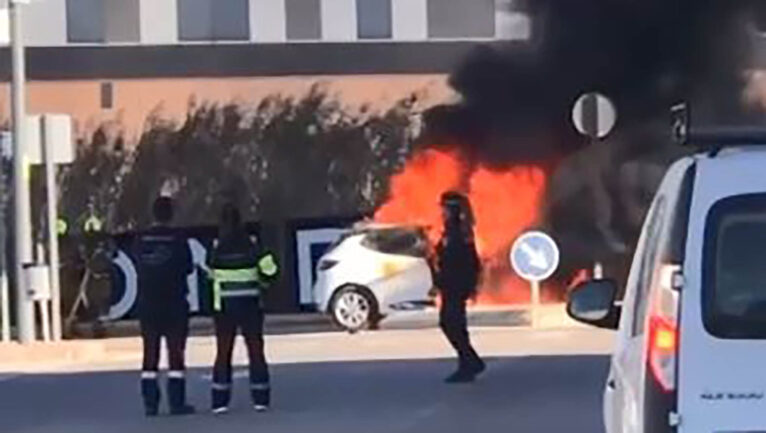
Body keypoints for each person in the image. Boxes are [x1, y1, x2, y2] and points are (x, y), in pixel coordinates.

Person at [207, 203, 278, 415]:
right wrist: (262, 283)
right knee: (256, 352)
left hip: (224, 308)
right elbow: (271, 270)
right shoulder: (252, 245)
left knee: (223, 353)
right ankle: (261, 399)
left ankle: (220, 402)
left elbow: (210, 273)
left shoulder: (217, 247)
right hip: (251, 305)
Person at [134, 196, 195, 416]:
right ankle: (176, 402)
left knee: (150, 353)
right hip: (174, 302)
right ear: (171, 214)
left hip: (148, 302)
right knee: (175, 353)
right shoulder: (178, 238)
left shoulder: (141, 239)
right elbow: (188, 267)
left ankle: (150, 403)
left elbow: (139, 265)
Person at [434, 191, 486, 383]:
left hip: (455, 284)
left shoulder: (458, 231)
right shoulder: (454, 229)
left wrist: (469, 285)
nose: (442, 212)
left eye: (444, 208)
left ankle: (469, 362)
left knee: (452, 324)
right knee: (453, 324)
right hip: (453, 284)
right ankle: (469, 361)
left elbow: (467, 260)